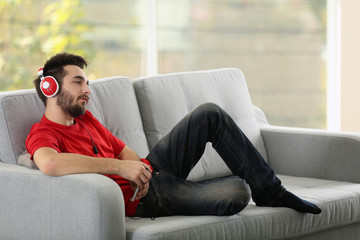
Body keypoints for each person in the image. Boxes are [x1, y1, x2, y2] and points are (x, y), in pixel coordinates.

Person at [26, 52, 321, 218]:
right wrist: (120, 169)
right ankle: (205, 189)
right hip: (140, 200)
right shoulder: (42, 133)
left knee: (209, 114)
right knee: (237, 192)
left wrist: (137, 169)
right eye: (78, 82)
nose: (87, 90)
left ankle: (270, 190)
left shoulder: (87, 119)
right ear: (50, 88)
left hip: (149, 176)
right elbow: (50, 163)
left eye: (87, 83)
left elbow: (124, 151)